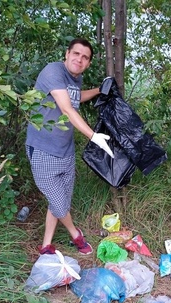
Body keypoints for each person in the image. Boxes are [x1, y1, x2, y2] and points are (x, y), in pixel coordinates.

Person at [25, 38, 114, 256]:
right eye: (76, 54)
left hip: (66, 150)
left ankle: (46, 245)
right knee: (60, 203)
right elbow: (66, 109)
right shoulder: (52, 72)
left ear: (88, 63)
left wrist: (98, 90)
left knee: (60, 200)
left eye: (85, 57)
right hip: (43, 149)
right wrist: (94, 136)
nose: (79, 59)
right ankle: (76, 235)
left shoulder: (76, 78)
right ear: (67, 54)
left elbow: (73, 99)